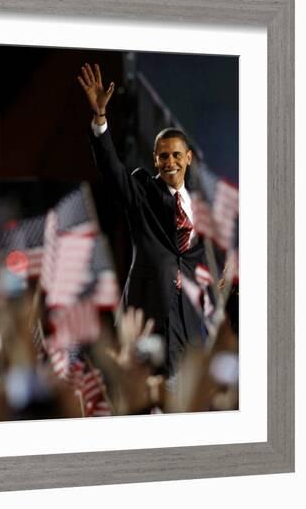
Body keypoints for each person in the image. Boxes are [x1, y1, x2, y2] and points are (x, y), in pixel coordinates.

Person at [78, 63, 208, 377]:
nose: (170, 162)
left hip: (189, 326)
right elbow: (113, 171)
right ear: (154, 159)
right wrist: (100, 120)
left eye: (176, 155)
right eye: (163, 156)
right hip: (149, 313)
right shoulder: (143, 191)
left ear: (188, 157)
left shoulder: (201, 208)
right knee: (149, 398)